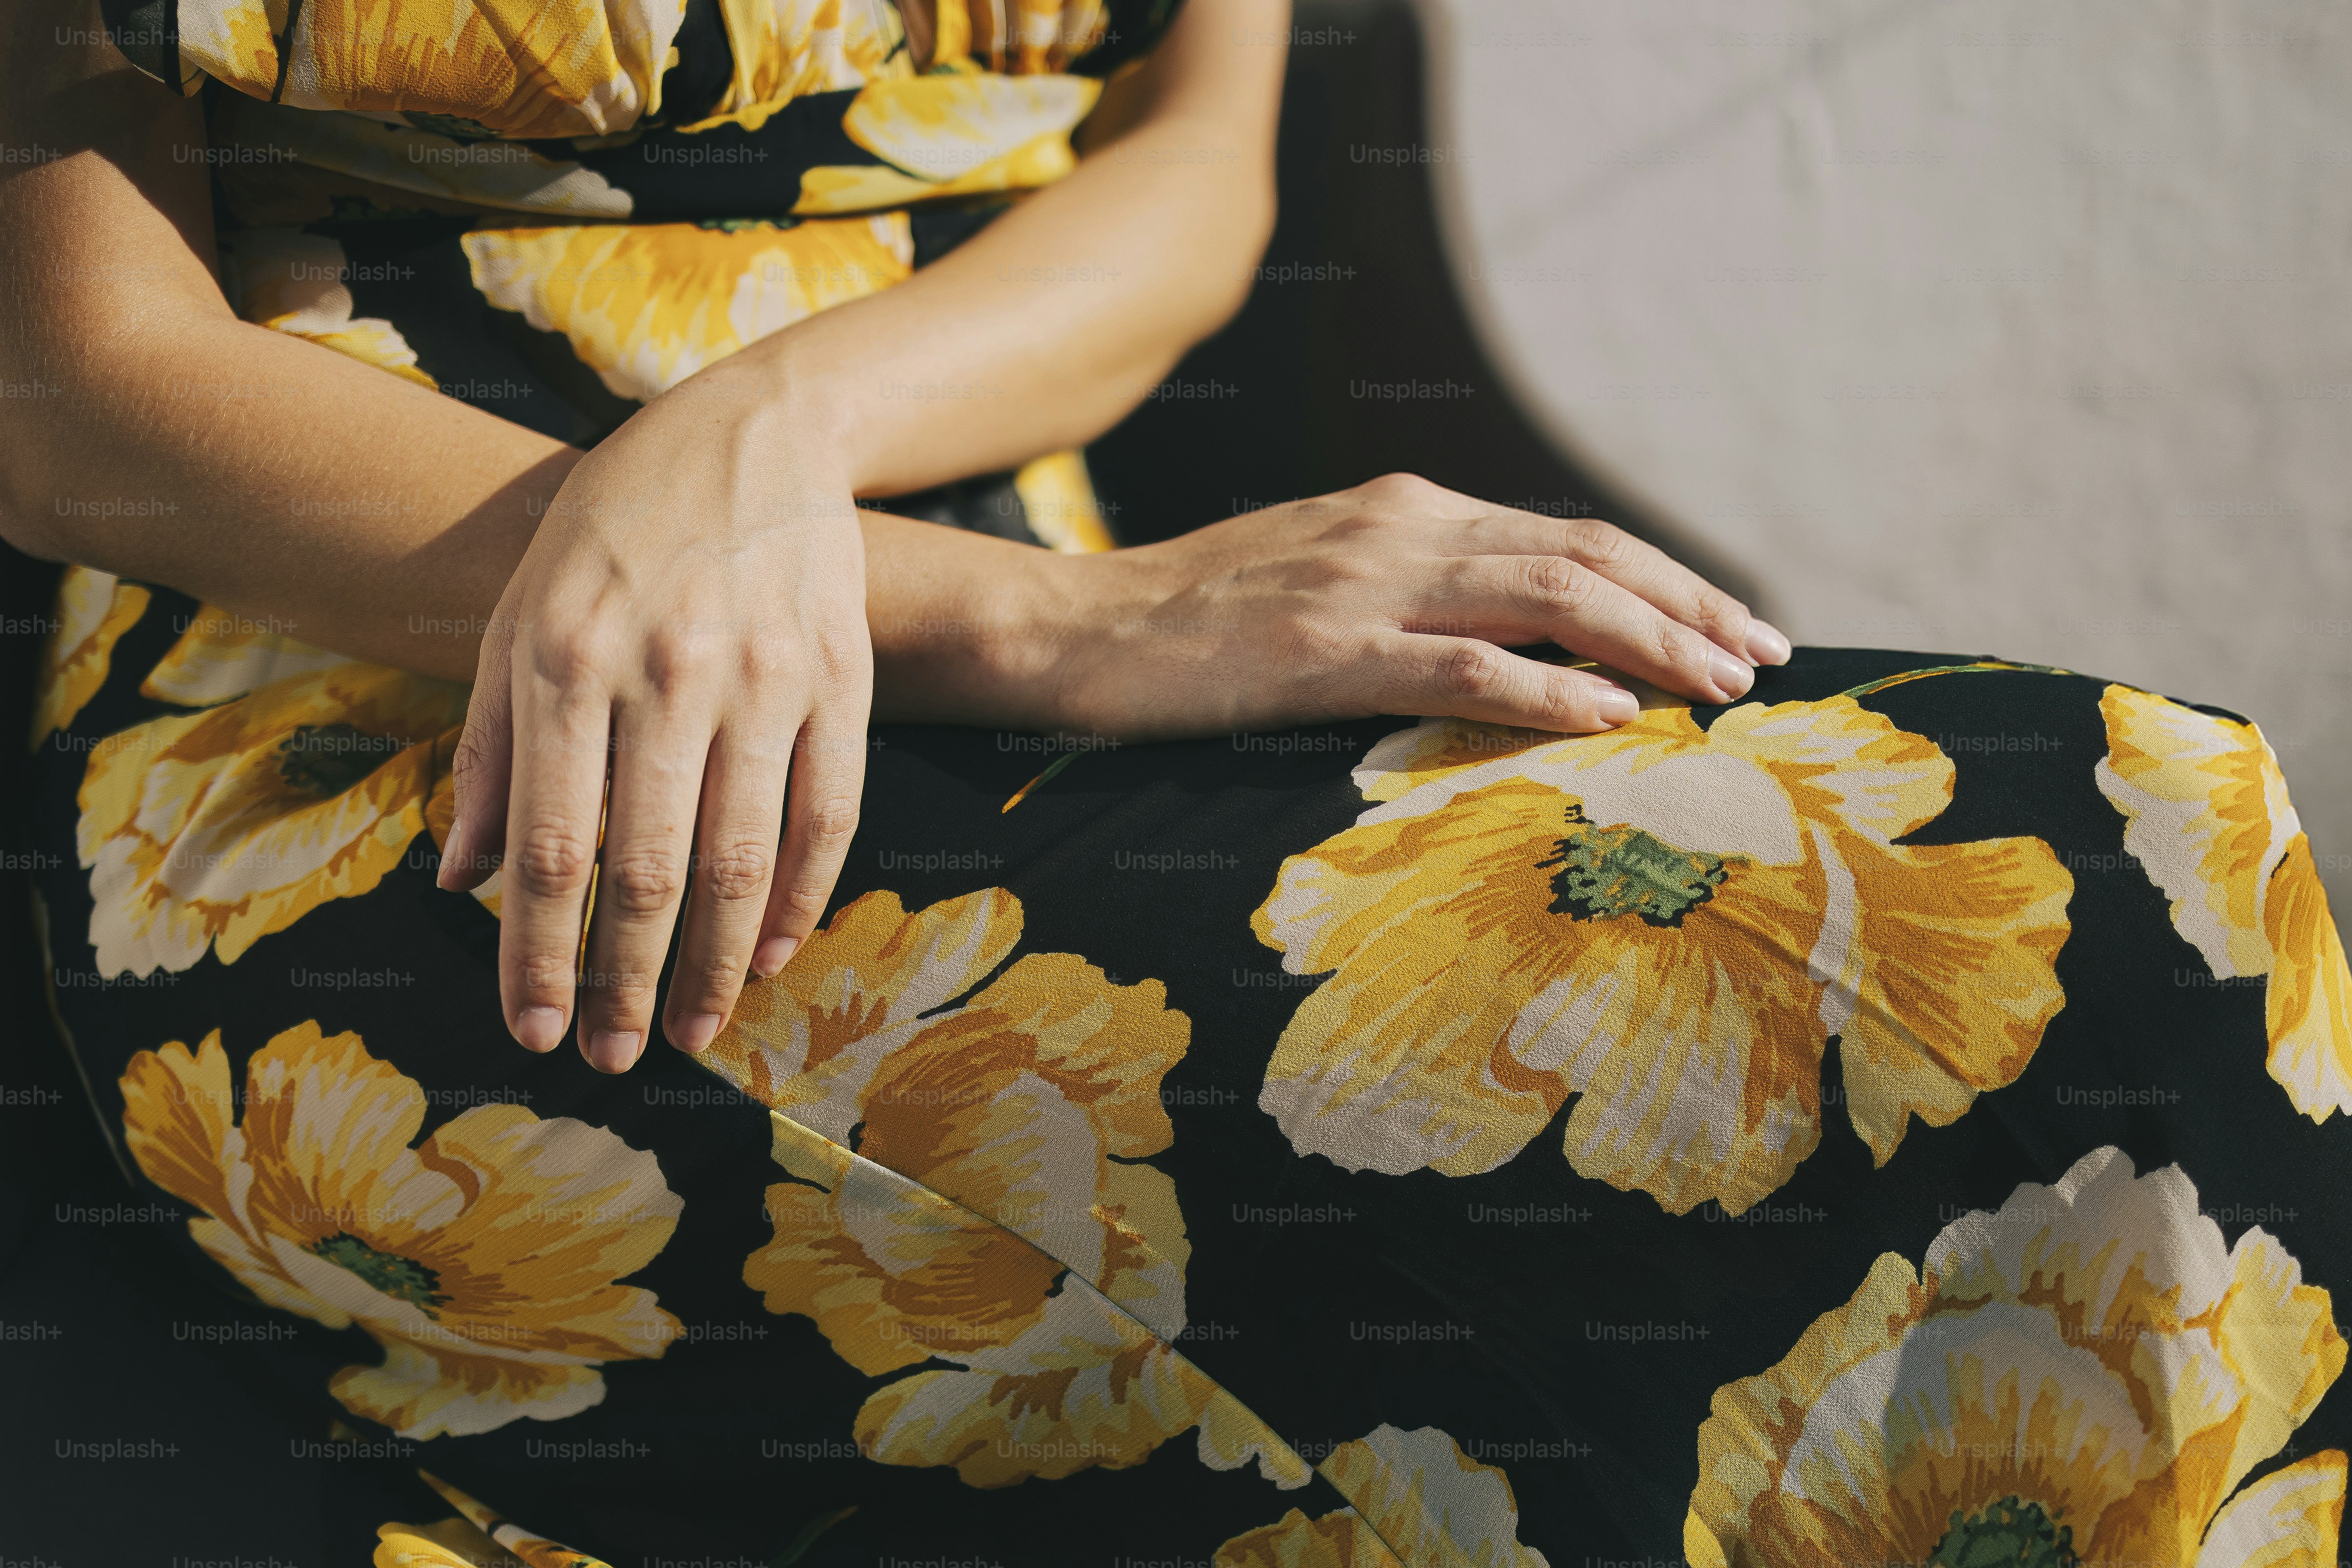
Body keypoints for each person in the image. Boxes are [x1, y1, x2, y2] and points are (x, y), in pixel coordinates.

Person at [4, 0, 2349, 1561]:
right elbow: (73, 383)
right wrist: (1033, 620)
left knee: (2151, 825)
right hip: (442, 746)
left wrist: (772, 433)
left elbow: (1194, 176)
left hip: (1066, 647)